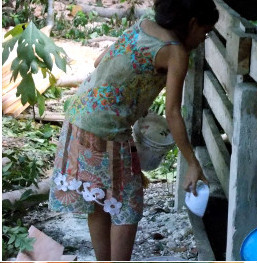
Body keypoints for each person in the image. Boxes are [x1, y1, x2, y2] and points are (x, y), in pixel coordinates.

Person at [46, 0, 217, 260]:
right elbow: (172, 113)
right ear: (192, 22)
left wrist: (134, 98)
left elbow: (99, 61)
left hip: (78, 117)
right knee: (128, 204)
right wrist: (193, 163)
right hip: (105, 129)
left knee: (100, 198)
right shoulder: (175, 52)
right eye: (204, 32)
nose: (203, 39)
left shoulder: (143, 25)